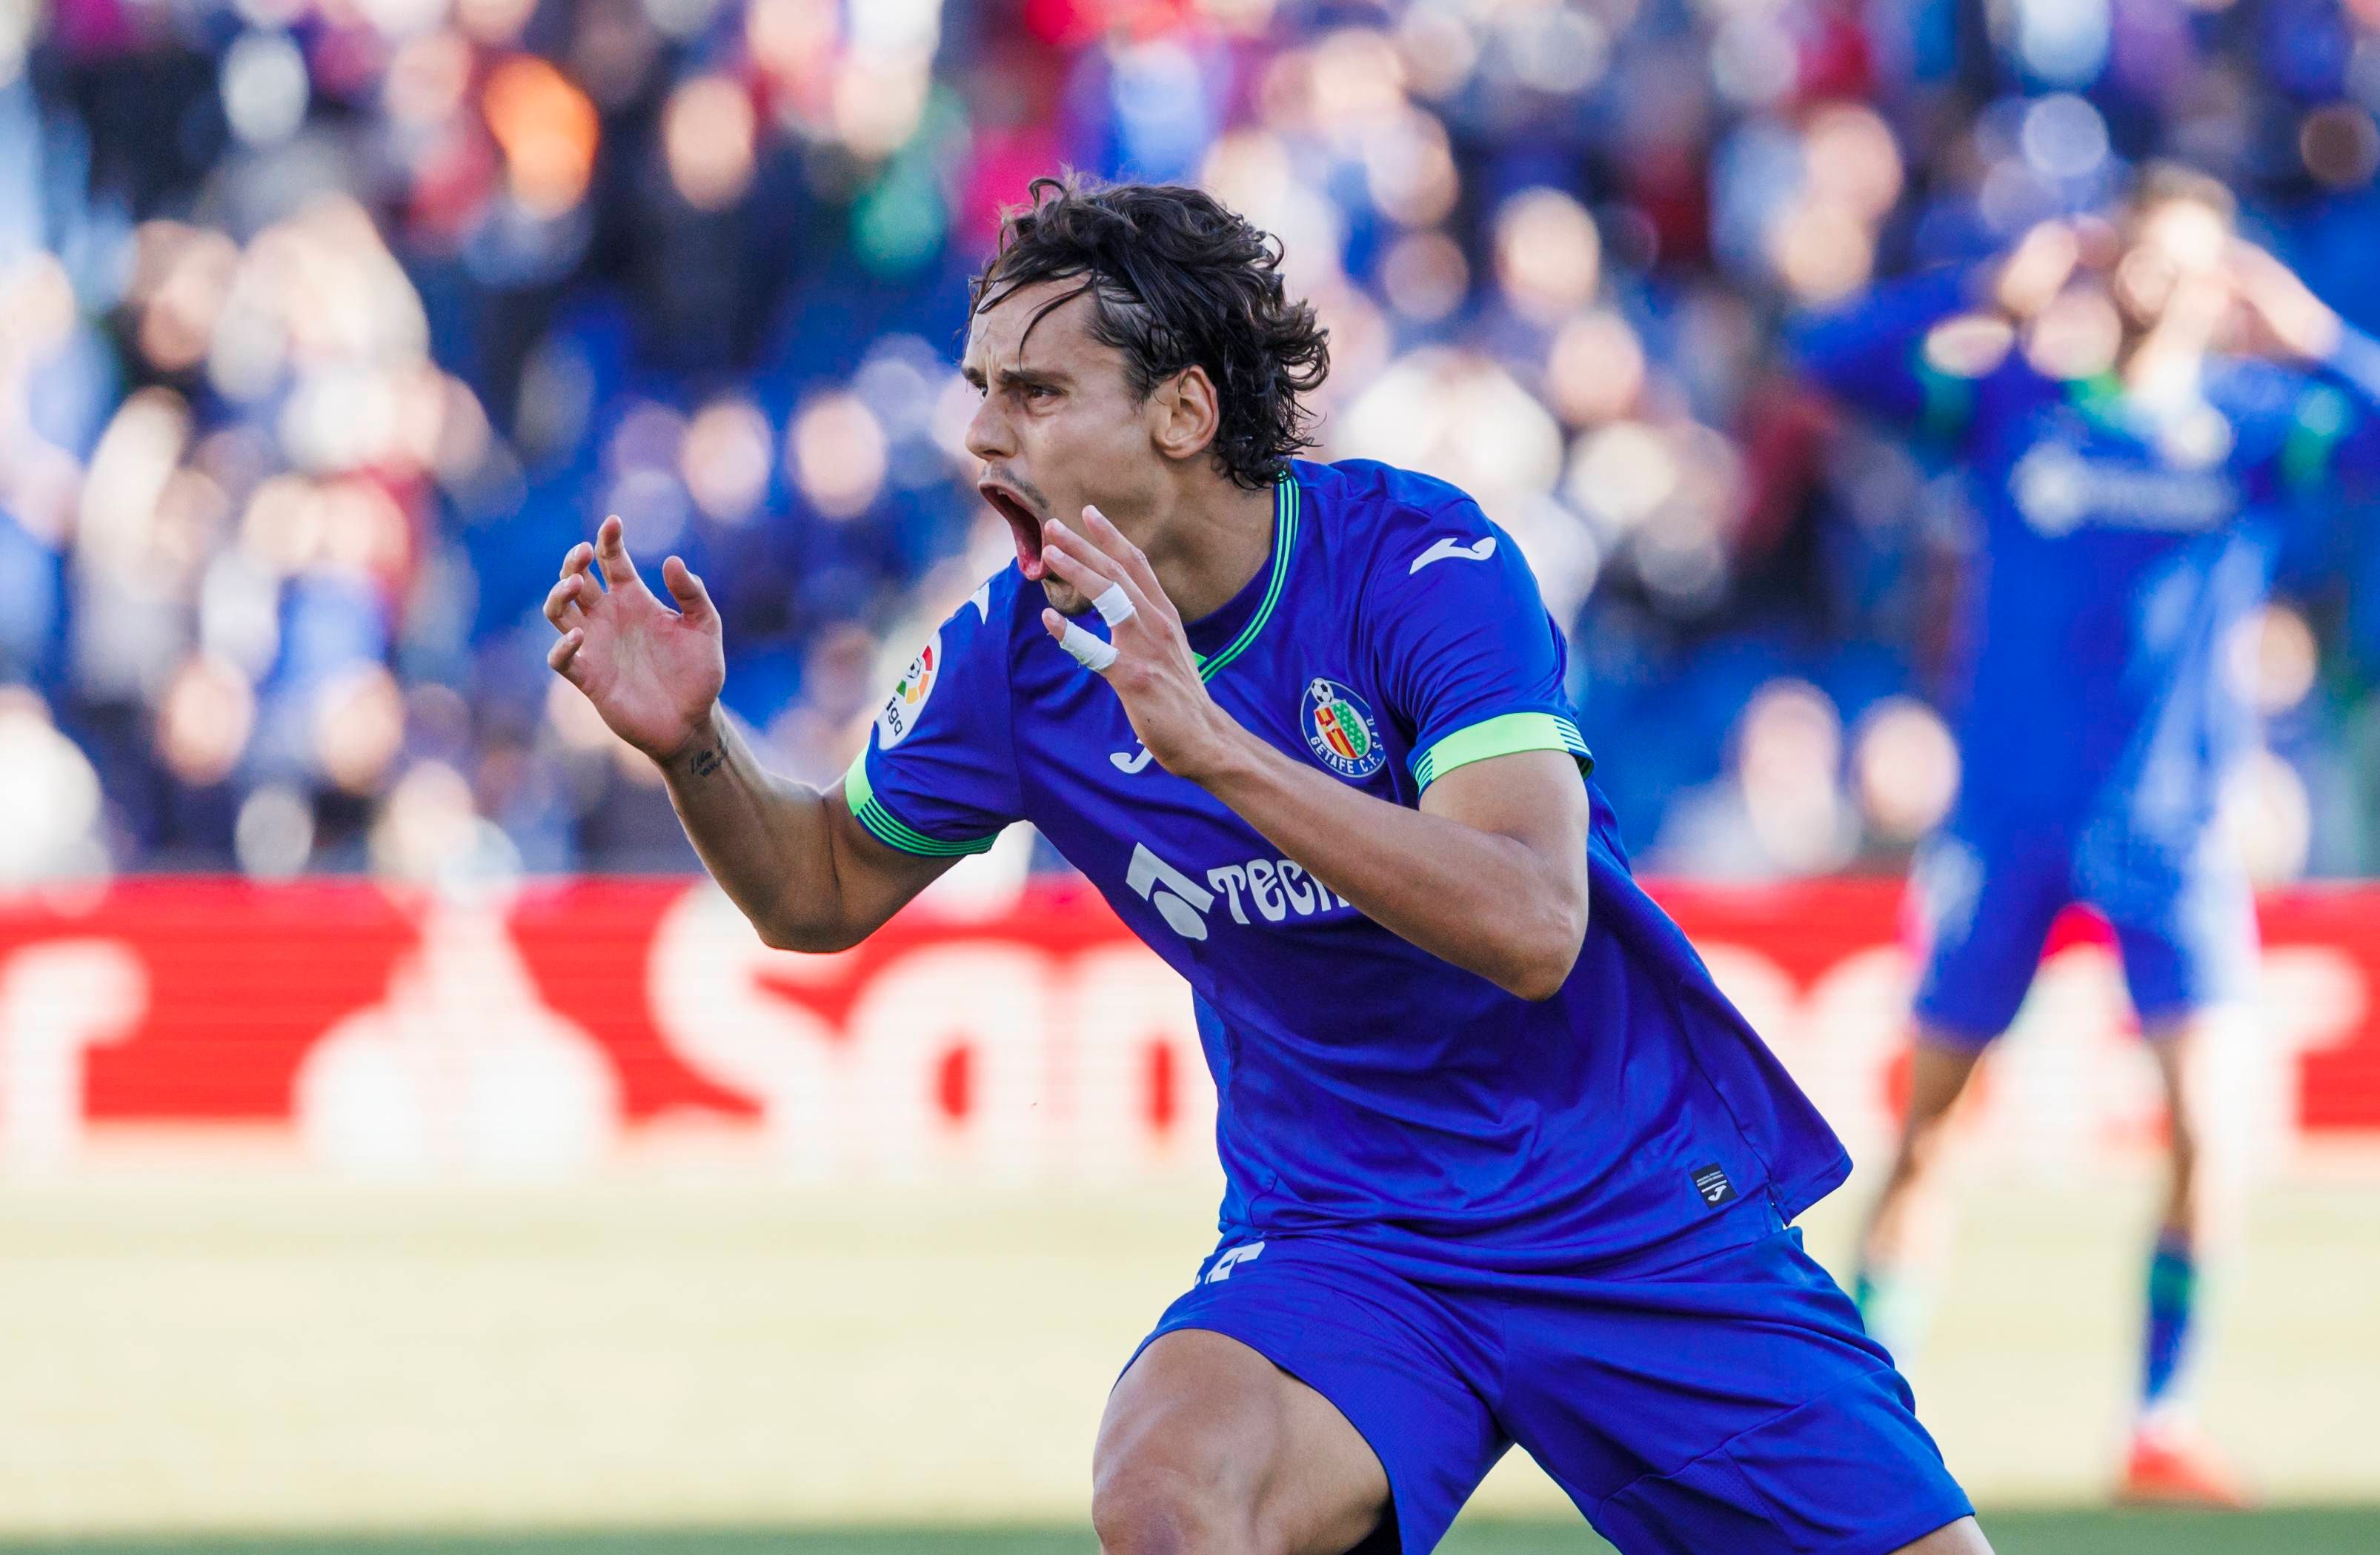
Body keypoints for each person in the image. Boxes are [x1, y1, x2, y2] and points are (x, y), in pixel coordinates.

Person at [545, 175, 1987, 1555]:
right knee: (1171, 1495)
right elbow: (816, 885)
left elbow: (1535, 921)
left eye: (1034, 392)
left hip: (1623, 1209)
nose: (982, 433)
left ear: (1183, 410)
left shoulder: (1419, 562)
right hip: (1347, 1238)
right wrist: (695, 749)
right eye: (978, 388)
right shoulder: (1011, 656)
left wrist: (1217, 753)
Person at [1790, 164, 2380, 1508]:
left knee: (2209, 1134)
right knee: (1931, 1133)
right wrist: (1976, 296)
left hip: (2171, 829)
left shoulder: (2254, 422)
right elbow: (1828, 362)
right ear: (2101, 264)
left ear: (2223, 281)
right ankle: (1868, 1422)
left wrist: (2321, 337)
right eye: (2134, 255)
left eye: (2183, 261)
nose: (2151, 283)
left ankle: (2159, 1424)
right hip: (2006, 823)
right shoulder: (2018, 404)